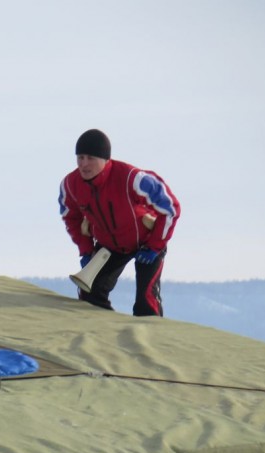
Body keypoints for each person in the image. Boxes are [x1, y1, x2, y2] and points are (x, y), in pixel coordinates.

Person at [58, 129, 181, 316]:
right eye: (80, 157)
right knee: (89, 293)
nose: (84, 164)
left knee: (146, 304)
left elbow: (170, 207)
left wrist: (155, 246)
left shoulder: (132, 179)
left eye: (90, 158)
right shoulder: (70, 185)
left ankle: (147, 340)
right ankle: (104, 335)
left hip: (146, 244)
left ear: (105, 159)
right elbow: (71, 218)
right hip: (109, 247)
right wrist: (85, 249)